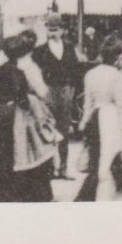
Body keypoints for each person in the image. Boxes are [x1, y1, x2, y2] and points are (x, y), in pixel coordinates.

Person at [0, 32, 56, 202]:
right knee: (27, 151)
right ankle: (23, 192)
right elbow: (37, 93)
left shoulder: (0, 66)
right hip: (17, 114)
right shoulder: (25, 68)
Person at [76, 37, 122, 201]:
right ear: (118, 57)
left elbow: (87, 103)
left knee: (96, 161)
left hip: (95, 119)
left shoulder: (91, 74)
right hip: (111, 120)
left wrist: (84, 123)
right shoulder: (118, 77)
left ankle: (89, 195)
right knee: (113, 161)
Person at [30, 14, 82, 179]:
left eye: (56, 30)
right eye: (50, 29)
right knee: (48, 131)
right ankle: (50, 169)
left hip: (66, 92)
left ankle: (64, 168)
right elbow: (34, 73)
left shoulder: (69, 48)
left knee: (64, 130)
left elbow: (75, 70)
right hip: (48, 92)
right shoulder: (39, 51)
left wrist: (72, 90)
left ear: (62, 31)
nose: (52, 33)